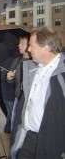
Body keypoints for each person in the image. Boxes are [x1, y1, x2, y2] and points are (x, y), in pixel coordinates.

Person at [11, 27, 65, 159]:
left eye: (32, 45)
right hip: (28, 137)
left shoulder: (62, 75)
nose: (28, 50)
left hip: (51, 141)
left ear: (46, 48)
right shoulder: (33, 70)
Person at [6, 33, 31, 134]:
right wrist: (9, 78)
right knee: (14, 128)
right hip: (17, 99)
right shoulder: (17, 60)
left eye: (22, 43)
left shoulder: (35, 62)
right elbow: (11, 82)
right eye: (19, 43)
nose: (18, 45)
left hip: (29, 102)